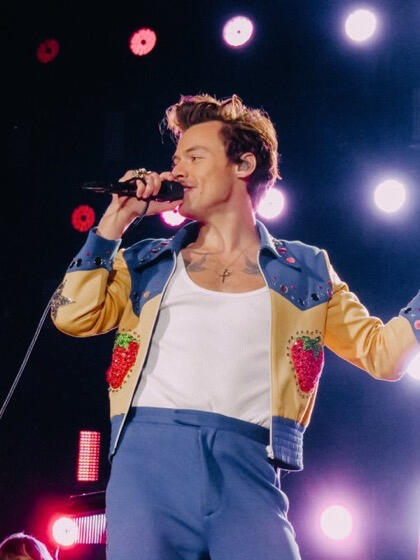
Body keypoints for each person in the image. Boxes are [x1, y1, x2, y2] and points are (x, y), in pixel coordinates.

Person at [51, 94, 419, 560]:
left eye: (194, 157)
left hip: (249, 468)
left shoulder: (306, 269)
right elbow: (73, 316)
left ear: (243, 164)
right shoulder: (144, 261)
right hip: (148, 466)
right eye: (176, 160)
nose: (176, 171)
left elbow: (384, 355)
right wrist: (113, 224)